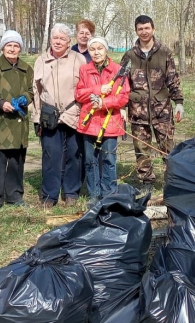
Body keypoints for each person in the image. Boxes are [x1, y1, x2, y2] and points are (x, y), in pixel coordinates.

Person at [120, 15, 184, 189]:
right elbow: (123, 85)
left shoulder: (164, 52)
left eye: (147, 28)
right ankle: (146, 182)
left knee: (168, 148)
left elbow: (173, 79)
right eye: (140, 29)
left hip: (162, 111)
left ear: (153, 29)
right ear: (136, 31)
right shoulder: (129, 56)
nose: (144, 32)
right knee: (142, 150)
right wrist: (122, 108)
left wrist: (178, 102)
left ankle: (173, 182)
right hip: (137, 111)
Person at [0, 30, 34, 211]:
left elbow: (32, 91)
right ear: (2, 48)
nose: (12, 49)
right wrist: (1, 103)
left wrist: (25, 98)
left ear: (20, 48)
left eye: (16, 45)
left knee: (17, 163)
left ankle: (15, 195)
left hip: (18, 123)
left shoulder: (27, 69)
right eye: (9, 45)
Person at [33, 23, 86, 208]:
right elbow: (36, 91)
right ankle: (50, 195)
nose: (58, 41)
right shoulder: (41, 60)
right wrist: (36, 117)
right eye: (55, 38)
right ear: (50, 40)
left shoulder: (79, 59)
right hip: (49, 116)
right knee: (51, 155)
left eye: (62, 39)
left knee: (74, 154)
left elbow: (85, 87)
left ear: (68, 41)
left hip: (74, 113)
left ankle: (71, 192)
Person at [75, 37, 130, 205]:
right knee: (90, 161)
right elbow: (79, 94)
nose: (96, 52)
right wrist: (97, 90)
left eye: (100, 48)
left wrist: (103, 102)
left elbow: (123, 97)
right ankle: (94, 194)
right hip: (89, 122)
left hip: (110, 122)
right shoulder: (85, 70)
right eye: (92, 49)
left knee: (109, 160)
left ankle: (109, 193)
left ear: (106, 50)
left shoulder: (118, 70)